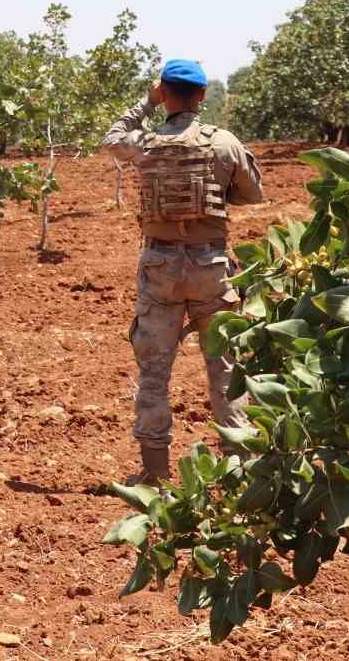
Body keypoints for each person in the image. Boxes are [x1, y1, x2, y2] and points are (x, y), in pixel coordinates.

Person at [101, 59, 263, 484]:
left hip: (160, 269)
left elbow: (111, 138)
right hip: (212, 268)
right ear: (203, 96)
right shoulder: (224, 142)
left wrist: (145, 103)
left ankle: (155, 476)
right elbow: (252, 193)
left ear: (165, 93)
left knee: (154, 372)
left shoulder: (146, 142)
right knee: (225, 368)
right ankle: (239, 472)